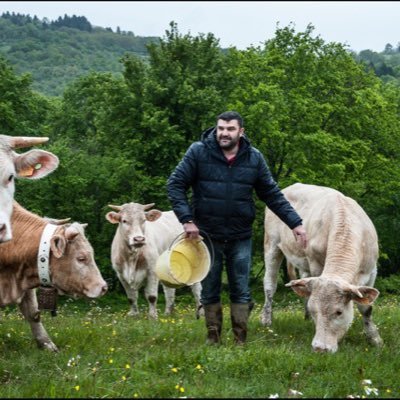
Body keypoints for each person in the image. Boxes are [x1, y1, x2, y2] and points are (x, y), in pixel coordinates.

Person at [167, 111, 307, 346]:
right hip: (206, 236)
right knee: (209, 288)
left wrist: (296, 223)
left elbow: (272, 194)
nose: (224, 133)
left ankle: (240, 340)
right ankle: (213, 338)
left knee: (240, 289)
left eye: (230, 129)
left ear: (241, 132)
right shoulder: (199, 152)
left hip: (240, 235)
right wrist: (187, 220)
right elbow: (175, 184)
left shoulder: (253, 158)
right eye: (221, 128)